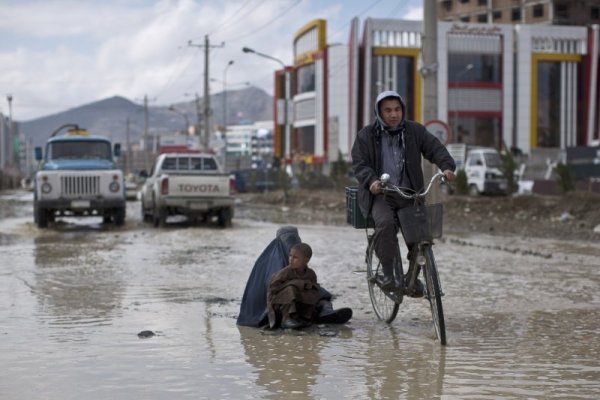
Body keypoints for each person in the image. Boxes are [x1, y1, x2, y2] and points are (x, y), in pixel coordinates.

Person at [351, 90, 456, 292]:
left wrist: (447, 167)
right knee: (386, 224)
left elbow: (434, 148)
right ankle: (389, 274)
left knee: (421, 235)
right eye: (388, 110)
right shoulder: (366, 135)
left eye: (397, 109)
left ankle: (413, 277)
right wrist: (371, 180)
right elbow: (360, 163)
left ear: (402, 110)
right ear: (379, 112)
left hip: (410, 193)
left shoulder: (414, 131)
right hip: (381, 194)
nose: (393, 114)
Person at [236, 226, 351, 328]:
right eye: (287, 240)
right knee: (292, 292)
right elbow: (272, 287)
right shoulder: (273, 260)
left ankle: (326, 312)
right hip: (273, 305)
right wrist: (297, 284)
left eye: (294, 240)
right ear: (279, 242)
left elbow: (306, 278)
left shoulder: (297, 256)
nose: (291, 244)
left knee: (318, 294)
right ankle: (290, 319)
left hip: (298, 299)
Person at [266, 243, 320, 329]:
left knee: (313, 292)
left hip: (297, 302)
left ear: (306, 260)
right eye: (290, 256)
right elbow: (272, 288)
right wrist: (294, 283)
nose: (291, 259)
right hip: (279, 304)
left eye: (295, 258)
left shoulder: (311, 274)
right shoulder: (286, 272)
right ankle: (286, 319)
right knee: (291, 289)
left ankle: (305, 316)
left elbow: (314, 288)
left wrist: (309, 286)